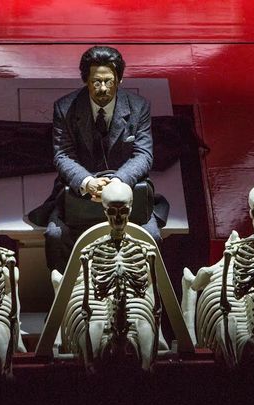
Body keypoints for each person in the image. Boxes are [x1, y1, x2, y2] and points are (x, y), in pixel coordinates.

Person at [38, 46, 161, 273]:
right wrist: (87, 182)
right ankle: (65, 291)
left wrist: (118, 183)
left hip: (127, 192)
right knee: (55, 236)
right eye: (96, 81)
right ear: (86, 80)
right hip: (79, 194)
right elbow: (63, 154)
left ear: (119, 79)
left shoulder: (139, 107)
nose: (103, 88)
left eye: (108, 81)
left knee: (152, 235)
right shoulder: (65, 108)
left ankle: (145, 292)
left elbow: (143, 154)